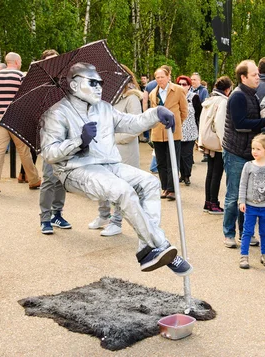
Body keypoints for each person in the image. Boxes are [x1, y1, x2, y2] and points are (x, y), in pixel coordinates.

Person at [39, 62, 192, 275]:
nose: (99, 87)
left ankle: (146, 248)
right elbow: (48, 153)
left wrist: (156, 113)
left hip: (109, 165)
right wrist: (78, 141)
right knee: (123, 191)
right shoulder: (57, 113)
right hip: (75, 169)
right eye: (92, 83)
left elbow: (131, 123)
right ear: (74, 86)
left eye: (100, 82)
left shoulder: (104, 108)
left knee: (150, 182)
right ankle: (159, 244)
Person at [222, 60, 265, 248]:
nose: (258, 78)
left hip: (248, 152)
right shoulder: (238, 96)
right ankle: (229, 234)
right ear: (243, 77)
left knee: (247, 197)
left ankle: (244, 233)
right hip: (236, 152)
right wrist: (264, 122)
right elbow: (240, 124)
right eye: (254, 75)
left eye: (258, 74)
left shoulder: (251, 95)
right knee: (233, 196)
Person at [89, 64, 145, 236]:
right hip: (104, 150)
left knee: (120, 188)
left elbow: (136, 126)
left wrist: (114, 140)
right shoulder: (106, 99)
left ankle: (117, 221)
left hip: (123, 150)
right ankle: (103, 215)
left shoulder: (132, 98)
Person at [0, 52, 41, 195]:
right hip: (16, 117)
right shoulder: (21, 76)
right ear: (17, 62)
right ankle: (33, 180)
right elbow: (27, 97)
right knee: (23, 150)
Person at [35, 49, 73, 235]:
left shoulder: (67, 84)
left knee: (61, 177)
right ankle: (45, 217)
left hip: (66, 138)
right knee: (49, 177)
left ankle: (57, 213)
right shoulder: (39, 87)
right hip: (49, 138)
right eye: (50, 61)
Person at [238, 134, 265, 269]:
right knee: (247, 231)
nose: (254, 152)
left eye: (258, 149)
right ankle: (244, 256)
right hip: (251, 206)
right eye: (253, 148)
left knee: (264, 232)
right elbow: (243, 184)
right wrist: (242, 201)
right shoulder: (248, 166)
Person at [149, 66, 188, 201]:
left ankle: (172, 189)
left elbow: (184, 111)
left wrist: (177, 123)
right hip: (157, 132)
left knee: (172, 160)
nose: (159, 80)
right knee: (160, 162)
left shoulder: (178, 90)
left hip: (173, 132)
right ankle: (165, 187)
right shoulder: (153, 93)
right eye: (157, 77)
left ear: (168, 77)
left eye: (162, 77)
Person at [197, 76, 232, 214]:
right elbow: (220, 123)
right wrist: (225, 143)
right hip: (217, 142)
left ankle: (208, 202)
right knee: (217, 173)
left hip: (208, 140)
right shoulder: (222, 101)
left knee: (210, 172)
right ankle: (214, 203)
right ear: (228, 89)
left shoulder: (209, 99)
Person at [176, 75, 201, 186]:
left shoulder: (194, 97)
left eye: (184, 84)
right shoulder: (174, 97)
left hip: (190, 131)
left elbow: (199, 114)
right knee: (179, 154)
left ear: (189, 86)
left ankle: (187, 175)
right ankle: (182, 174)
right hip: (178, 131)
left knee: (187, 154)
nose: (182, 86)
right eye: (179, 84)